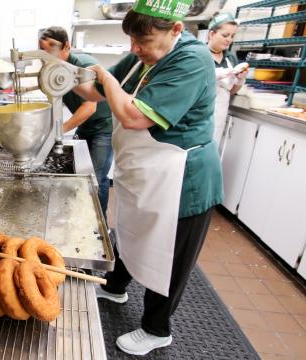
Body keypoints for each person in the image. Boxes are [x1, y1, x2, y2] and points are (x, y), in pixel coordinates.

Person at [74, 0, 223, 355]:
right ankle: (115, 287)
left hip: (182, 178)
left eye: (143, 43)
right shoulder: (146, 53)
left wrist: (105, 76)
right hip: (145, 170)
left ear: (175, 30)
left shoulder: (192, 60)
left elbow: (134, 118)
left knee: (168, 255)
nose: (135, 50)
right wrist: (62, 73)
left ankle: (158, 330)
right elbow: (95, 92)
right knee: (127, 227)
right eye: (133, 41)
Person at [38, 27, 113, 216]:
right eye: (42, 50)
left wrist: (59, 131)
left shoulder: (82, 66)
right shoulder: (54, 69)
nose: (47, 55)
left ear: (67, 46)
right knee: (79, 174)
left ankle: (100, 224)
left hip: (104, 128)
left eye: (52, 49)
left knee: (95, 179)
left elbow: (90, 107)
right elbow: (53, 99)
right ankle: (80, 218)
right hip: (86, 126)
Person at [208, 12, 249, 148]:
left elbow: (231, 91)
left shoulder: (230, 58)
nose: (229, 40)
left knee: (211, 150)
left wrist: (239, 80)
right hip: (198, 115)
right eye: (225, 35)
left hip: (219, 113)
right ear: (212, 34)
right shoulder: (199, 54)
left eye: (232, 36)